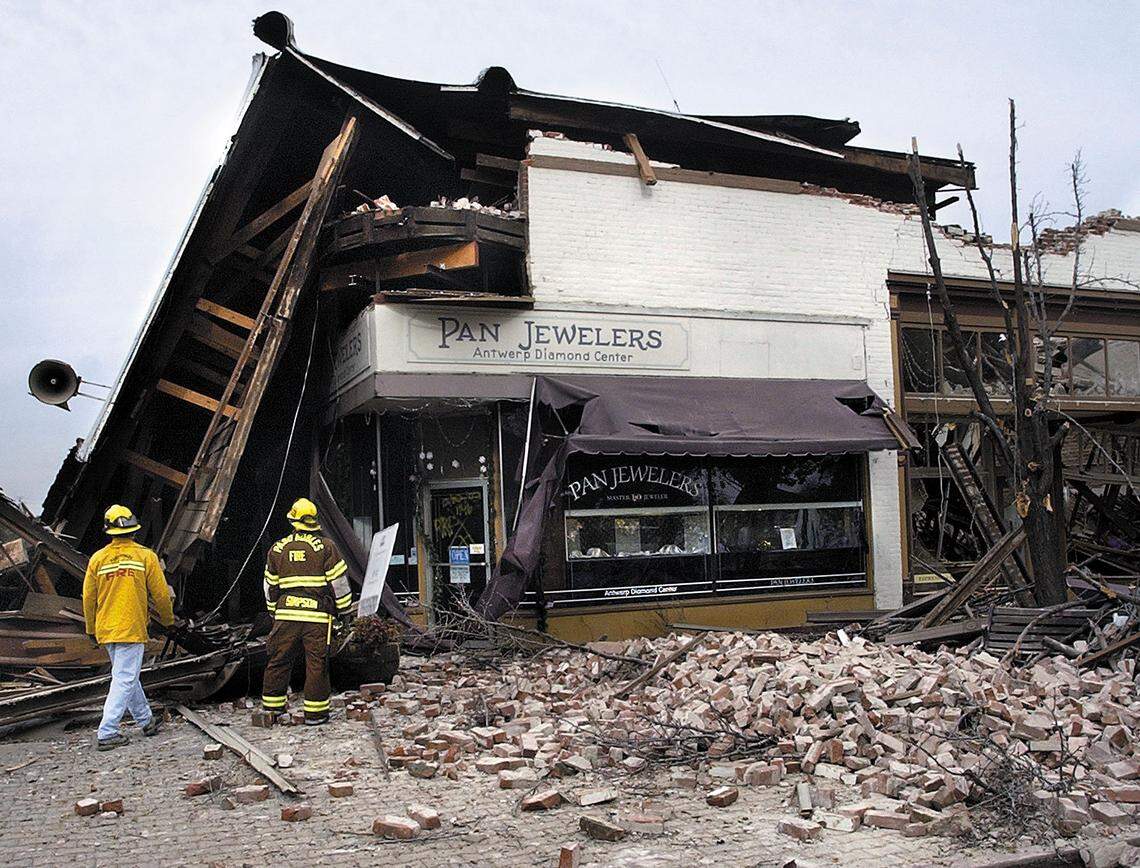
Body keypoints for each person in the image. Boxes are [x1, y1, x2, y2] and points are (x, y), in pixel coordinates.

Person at [82, 504, 175, 750]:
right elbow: (162, 596)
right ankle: (107, 731)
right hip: (130, 628)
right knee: (124, 677)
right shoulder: (145, 556)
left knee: (127, 676)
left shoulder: (98, 559)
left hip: (106, 628)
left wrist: (91, 629)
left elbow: (88, 599)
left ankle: (146, 721)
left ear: (109, 531)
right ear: (134, 529)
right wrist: (168, 621)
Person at [261, 497, 353, 725]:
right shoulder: (326, 547)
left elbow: (269, 586)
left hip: (286, 615)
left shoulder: (277, 548)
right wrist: (344, 609)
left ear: (292, 520)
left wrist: (274, 612)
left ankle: (272, 709)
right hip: (316, 617)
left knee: (278, 659)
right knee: (317, 663)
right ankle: (316, 713)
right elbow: (339, 583)